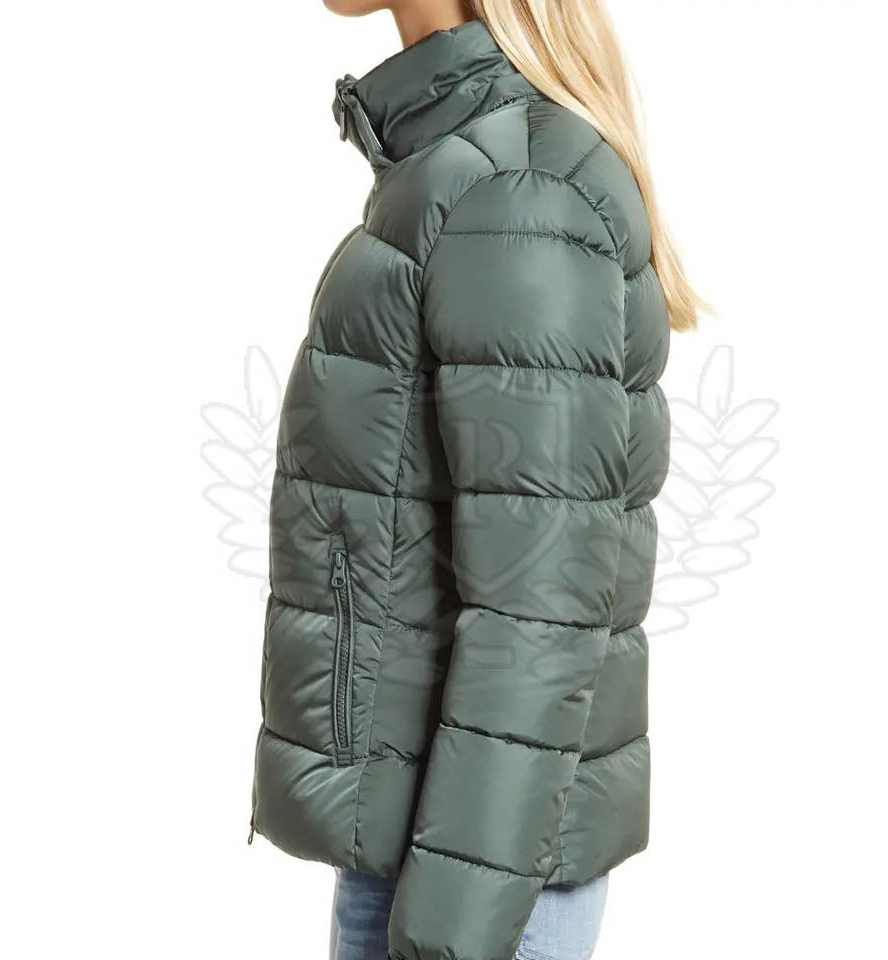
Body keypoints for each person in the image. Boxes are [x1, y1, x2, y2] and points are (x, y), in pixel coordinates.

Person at [250, 2, 701, 958]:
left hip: (474, 886)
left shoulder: (517, 187)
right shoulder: (463, 165)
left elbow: (539, 608)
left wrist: (449, 935)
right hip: (433, 850)